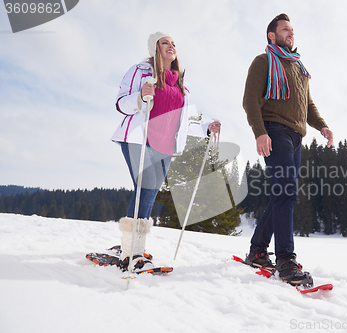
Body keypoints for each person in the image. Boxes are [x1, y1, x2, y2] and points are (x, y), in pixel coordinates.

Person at [111, 31, 221, 271]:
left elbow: (183, 122)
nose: (171, 46)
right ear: (155, 49)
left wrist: (205, 128)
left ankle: (132, 245)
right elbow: (121, 103)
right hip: (139, 139)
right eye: (164, 43)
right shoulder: (140, 72)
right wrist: (140, 97)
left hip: (165, 146)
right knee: (146, 190)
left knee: (147, 193)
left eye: (173, 43)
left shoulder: (182, 84)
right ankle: (132, 252)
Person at [242, 14, 333, 286]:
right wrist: (260, 132)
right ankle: (285, 260)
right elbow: (250, 101)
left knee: (282, 193)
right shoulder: (263, 62)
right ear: (272, 35)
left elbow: (307, 104)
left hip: (296, 136)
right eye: (285, 29)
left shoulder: (298, 67)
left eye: (292, 29)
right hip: (275, 130)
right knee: (287, 192)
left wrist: (322, 126)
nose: (290, 33)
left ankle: (258, 250)